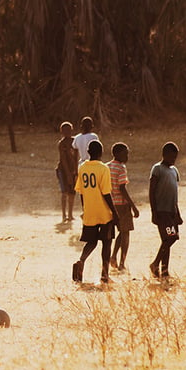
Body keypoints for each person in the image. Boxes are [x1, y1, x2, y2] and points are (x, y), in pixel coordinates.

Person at [72, 140, 119, 284]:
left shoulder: (83, 168)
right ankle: (105, 275)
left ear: (88, 152)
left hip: (90, 211)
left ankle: (81, 261)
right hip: (104, 212)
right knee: (106, 242)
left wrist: (85, 208)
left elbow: (81, 191)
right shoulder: (103, 168)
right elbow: (106, 193)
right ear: (101, 152)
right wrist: (114, 212)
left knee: (91, 241)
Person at [149, 142, 182, 280]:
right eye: (171, 157)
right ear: (164, 154)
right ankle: (155, 264)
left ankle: (164, 271)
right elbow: (151, 191)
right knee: (171, 237)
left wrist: (178, 213)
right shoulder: (157, 169)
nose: (173, 160)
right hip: (162, 212)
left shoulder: (174, 171)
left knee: (166, 240)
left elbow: (175, 194)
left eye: (175, 157)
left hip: (171, 212)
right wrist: (154, 212)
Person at [107, 143, 139, 271]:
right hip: (122, 205)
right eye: (125, 153)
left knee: (122, 231)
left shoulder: (107, 166)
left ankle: (113, 257)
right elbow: (122, 188)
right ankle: (121, 263)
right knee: (126, 234)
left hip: (110, 204)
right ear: (118, 154)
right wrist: (133, 206)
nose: (127, 156)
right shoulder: (121, 167)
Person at [56, 121, 77, 222]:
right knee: (64, 192)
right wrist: (68, 174)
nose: (67, 132)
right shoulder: (62, 144)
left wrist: (75, 171)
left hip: (73, 170)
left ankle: (70, 214)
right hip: (62, 171)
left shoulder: (75, 141)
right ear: (61, 132)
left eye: (69, 130)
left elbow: (77, 157)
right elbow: (63, 160)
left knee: (72, 193)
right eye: (64, 130)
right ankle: (64, 215)